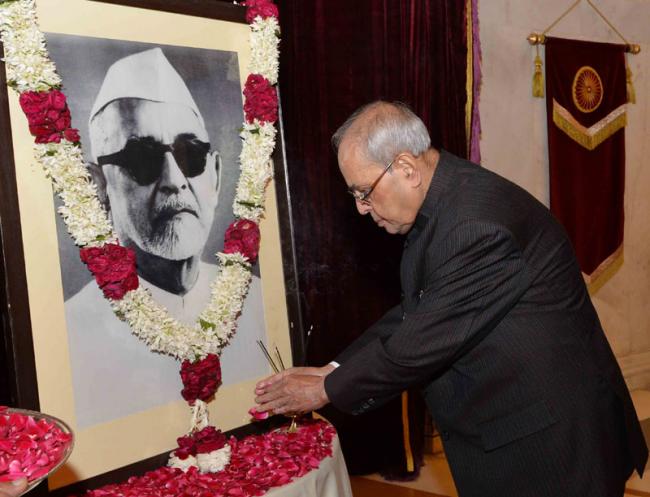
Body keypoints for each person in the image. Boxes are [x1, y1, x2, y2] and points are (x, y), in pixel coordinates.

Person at [254, 101, 648, 497]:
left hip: (553, 445)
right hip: (520, 426)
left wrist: (325, 390)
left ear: (406, 169)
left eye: (364, 192)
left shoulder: (475, 226)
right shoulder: (445, 195)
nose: (360, 208)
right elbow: (419, 310)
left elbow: (420, 342)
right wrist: (331, 369)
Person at [65, 48, 266, 428]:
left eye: (190, 155)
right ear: (98, 187)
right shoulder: (69, 335)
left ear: (216, 176)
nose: (175, 180)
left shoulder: (259, 303)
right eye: (142, 158)